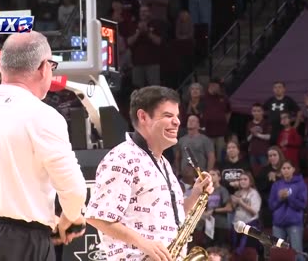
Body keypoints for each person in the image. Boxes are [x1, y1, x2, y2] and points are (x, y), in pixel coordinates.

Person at [0, 31, 87, 261]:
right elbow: (74, 190)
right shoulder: (42, 115)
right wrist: (70, 217)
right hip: (22, 243)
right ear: (43, 67)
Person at [85, 86, 214, 261]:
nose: (177, 122)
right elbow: (97, 217)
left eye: (177, 116)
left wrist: (195, 195)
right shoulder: (122, 158)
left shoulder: (163, 163)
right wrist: (144, 243)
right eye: (168, 116)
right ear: (143, 116)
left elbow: (170, 218)